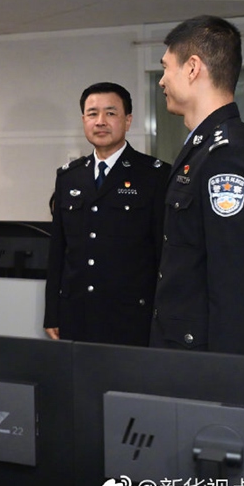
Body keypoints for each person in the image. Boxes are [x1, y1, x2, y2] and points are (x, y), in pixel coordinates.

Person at [151, 15, 244, 355]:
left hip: (202, 358)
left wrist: (225, 374)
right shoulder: (201, 148)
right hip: (180, 345)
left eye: (166, 67)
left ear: (192, 68)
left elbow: (236, 282)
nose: (161, 80)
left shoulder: (228, 154)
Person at [43, 82, 170, 346]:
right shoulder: (69, 177)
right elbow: (58, 252)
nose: (100, 121)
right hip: (77, 315)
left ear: (128, 120)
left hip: (132, 317)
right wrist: (52, 313)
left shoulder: (153, 175)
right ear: (83, 120)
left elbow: (163, 255)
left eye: (110, 113)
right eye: (92, 114)